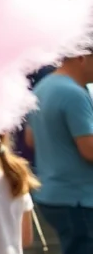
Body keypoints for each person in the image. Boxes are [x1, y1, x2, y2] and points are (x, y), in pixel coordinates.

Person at [24, 51, 93, 254]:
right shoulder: (74, 94)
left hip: (52, 196)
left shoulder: (42, 88)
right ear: (82, 57)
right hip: (77, 199)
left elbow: (30, 139)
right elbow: (89, 150)